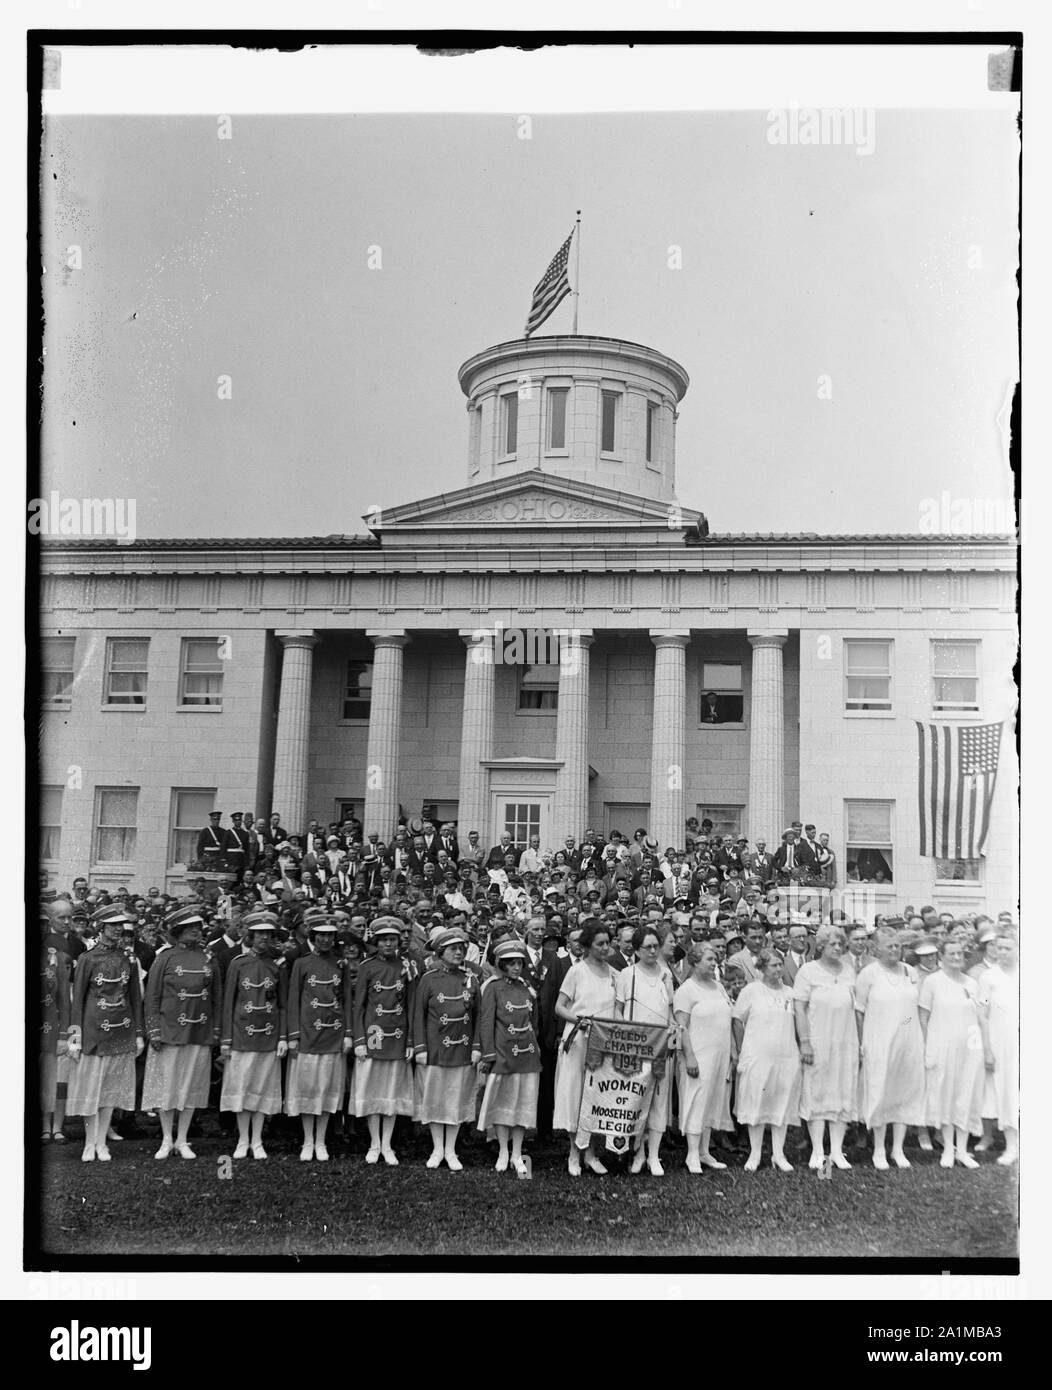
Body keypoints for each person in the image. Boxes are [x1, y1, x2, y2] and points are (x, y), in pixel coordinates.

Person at [65, 904, 145, 1162]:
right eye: (113, 926)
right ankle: (89, 1143)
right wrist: (74, 1039)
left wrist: (138, 1033)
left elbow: (135, 998)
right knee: (92, 1091)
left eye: (121, 926)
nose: (119, 930)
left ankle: (102, 1142)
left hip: (120, 1032)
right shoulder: (88, 959)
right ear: (101, 928)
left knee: (109, 1092)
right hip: (92, 1033)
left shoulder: (128, 958)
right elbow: (77, 1001)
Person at [142, 904, 222, 1160]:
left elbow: (216, 997)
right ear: (178, 931)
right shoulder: (164, 957)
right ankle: (166, 1139)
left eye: (198, 928)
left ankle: (183, 1139)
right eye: (191, 929)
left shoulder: (208, 957)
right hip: (169, 1031)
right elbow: (152, 997)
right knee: (168, 1087)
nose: (196, 932)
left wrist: (216, 1029)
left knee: (191, 1086)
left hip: (199, 1031)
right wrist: (154, 1029)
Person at [917, 938, 994, 1169]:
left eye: (960, 953)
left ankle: (962, 1150)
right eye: (952, 953)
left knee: (965, 1096)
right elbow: (922, 1018)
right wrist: (926, 1047)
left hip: (970, 1049)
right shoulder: (932, 982)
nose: (957, 957)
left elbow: (982, 1017)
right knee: (946, 1096)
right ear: (942, 956)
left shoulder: (973, 983)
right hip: (942, 1048)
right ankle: (948, 1150)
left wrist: (987, 1050)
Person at [853, 927, 925, 1169]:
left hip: (908, 1040)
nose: (895, 950)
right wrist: (863, 1043)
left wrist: (905, 1026)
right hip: (879, 1041)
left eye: (898, 945)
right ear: (877, 949)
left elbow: (911, 1010)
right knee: (880, 1092)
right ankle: (879, 1150)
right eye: (889, 946)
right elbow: (859, 1011)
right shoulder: (869, 974)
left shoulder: (911, 972)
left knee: (903, 1093)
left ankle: (898, 1149)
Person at [220, 908, 289, 1159]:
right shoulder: (238, 963)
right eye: (259, 933)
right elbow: (228, 1002)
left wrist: (282, 1036)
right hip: (241, 1034)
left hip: (268, 1035)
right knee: (241, 1087)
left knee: (262, 1088)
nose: (263, 938)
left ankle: (258, 1139)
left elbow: (283, 1004)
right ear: (250, 935)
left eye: (268, 934)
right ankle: (242, 1139)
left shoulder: (278, 965)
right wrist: (226, 1040)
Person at [286, 910, 353, 1162]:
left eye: (330, 936)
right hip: (307, 1033)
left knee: (326, 1088)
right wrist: (293, 1035)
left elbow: (346, 999)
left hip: (333, 1033)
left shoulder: (341, 963)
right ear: (313, 936)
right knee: (308, 1088)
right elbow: (293, 999)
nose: (326, 940)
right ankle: (307, 1140)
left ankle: (321, 1141)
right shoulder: (302, 963)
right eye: (321, 935)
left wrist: (348, 1034)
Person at [411, 927, 482, 1170]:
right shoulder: (428, 979)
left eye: (461, 948)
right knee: (435, 1099)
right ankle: (437, 1148)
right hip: (435, 1049)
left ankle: (451, 1150)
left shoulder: (471, 978)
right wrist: (420, 1047)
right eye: (453, 949)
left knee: (456, 1099)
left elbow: (478, 1015)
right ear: (441, 952)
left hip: (462, 1049)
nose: (458, 952)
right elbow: (417, 1016)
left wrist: (476, 1047)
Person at [553, 919, 618, 1176]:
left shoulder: (615, 974)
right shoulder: (576, 971)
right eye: (600, 944)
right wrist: (582, 1021)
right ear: (588, 946)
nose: (605, 948)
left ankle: (592, 1154)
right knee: (576, 1094)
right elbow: (560, 1007)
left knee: (597, 1096)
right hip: (578, 1040)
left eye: (607, 943)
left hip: (604, 1042)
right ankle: (573, 1152)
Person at [793, 924, 859, 1170]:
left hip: (845, 1041)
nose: (838, 948)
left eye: (841, 944)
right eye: (833, 944)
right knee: (817, 1091)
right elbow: (799, 1008)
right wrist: (805, 1042)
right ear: (821, 946)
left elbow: (856, 1008)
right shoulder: (808, 972)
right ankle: (818, 1151)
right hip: (818, 1040)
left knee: (842, 1090)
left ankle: (837, 1152)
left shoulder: (850, 971)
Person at [352, 916, 416, 1164]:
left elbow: (410, 1006)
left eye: (393, 939)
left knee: (391, 1090)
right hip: (373, 1034)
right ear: (376, 942)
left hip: (397, 1035)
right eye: (384, 940)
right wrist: (359, 1040)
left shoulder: (407, 965)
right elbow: (359, 1007)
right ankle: (374, 1143)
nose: (388, 944)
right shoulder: (367, 966)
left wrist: (411, 1041)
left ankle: (387, 1144)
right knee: (373, 1089)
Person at [614, 925, 676, 1176]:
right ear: (637, 950)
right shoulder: (627, 975)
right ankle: (637, 1153)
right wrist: (626, 1032)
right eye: (647, 947)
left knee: (660, 1100)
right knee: (638, 1100)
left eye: (655, 946)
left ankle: (654, 1155)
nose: (652, 951)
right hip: (636, 1046)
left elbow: (670, 1009)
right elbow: (617, 1009)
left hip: (661, 1045)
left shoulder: (665, 974)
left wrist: (672, 1028)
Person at [731, 949, 801, 1171]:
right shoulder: (751, 991)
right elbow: (737, 1020)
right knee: (757, 1103)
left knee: (781, 1102)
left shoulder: (790, 992)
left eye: (781, 964)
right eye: (774, 965)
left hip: (786, 1055)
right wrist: (743, 1049)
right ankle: (755, 1153)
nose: (779, 969)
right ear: (761, 967)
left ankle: (779, 1154)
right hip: (758, 1055)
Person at [477, 938, 542, 1173]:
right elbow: (486, 1023)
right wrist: (488, 1053)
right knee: (502, 1104)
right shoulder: (492, 988)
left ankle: (517, 1153)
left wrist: (535, 1046)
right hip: (503, 1053)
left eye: (519, 963)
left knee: (522, 1105)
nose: (516, 967)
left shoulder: (526, 987)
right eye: (511, 963)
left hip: (527, 1055)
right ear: (501, 964)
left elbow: (533, 1021)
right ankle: (503, 1151)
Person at [674, 943, 735, 1173]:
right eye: (709, 959)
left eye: (715, 959)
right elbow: (681, 1027)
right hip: (698, 1055)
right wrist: (689, 1057)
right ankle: (691, 1154)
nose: (714, 963)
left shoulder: (718, 986)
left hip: (719, 1054)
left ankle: (704, 1151)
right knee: (696, 1100)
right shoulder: (687, 990)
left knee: (712, 1101)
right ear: (695, 961)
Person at [980, 930, 1019, 1165]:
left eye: (1008, 948)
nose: (1003, 952)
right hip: (1000, 1043)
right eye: (999, 948)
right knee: (1006, 1092)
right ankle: (1011, 1147)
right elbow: (982, 1014)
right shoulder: (988, 977)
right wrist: (987, 1048)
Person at [40, 918, 71, 1143]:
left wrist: (65, 1036)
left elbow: (64, 1001)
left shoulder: (56, 957)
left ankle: (56, 1127)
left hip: (50, 1028)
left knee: (55, 1078)